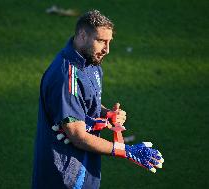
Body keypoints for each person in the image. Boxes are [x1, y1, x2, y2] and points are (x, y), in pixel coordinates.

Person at [32, 10, 163, 189]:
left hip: (85, 168)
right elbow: (77, 136)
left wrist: (106, 113)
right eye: (101, 41)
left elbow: (82, 101)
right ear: (83, 35)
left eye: (109, 42)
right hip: (65, 176)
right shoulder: (66, 76)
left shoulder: (92, 64)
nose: (107, 50)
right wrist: (125, 151)